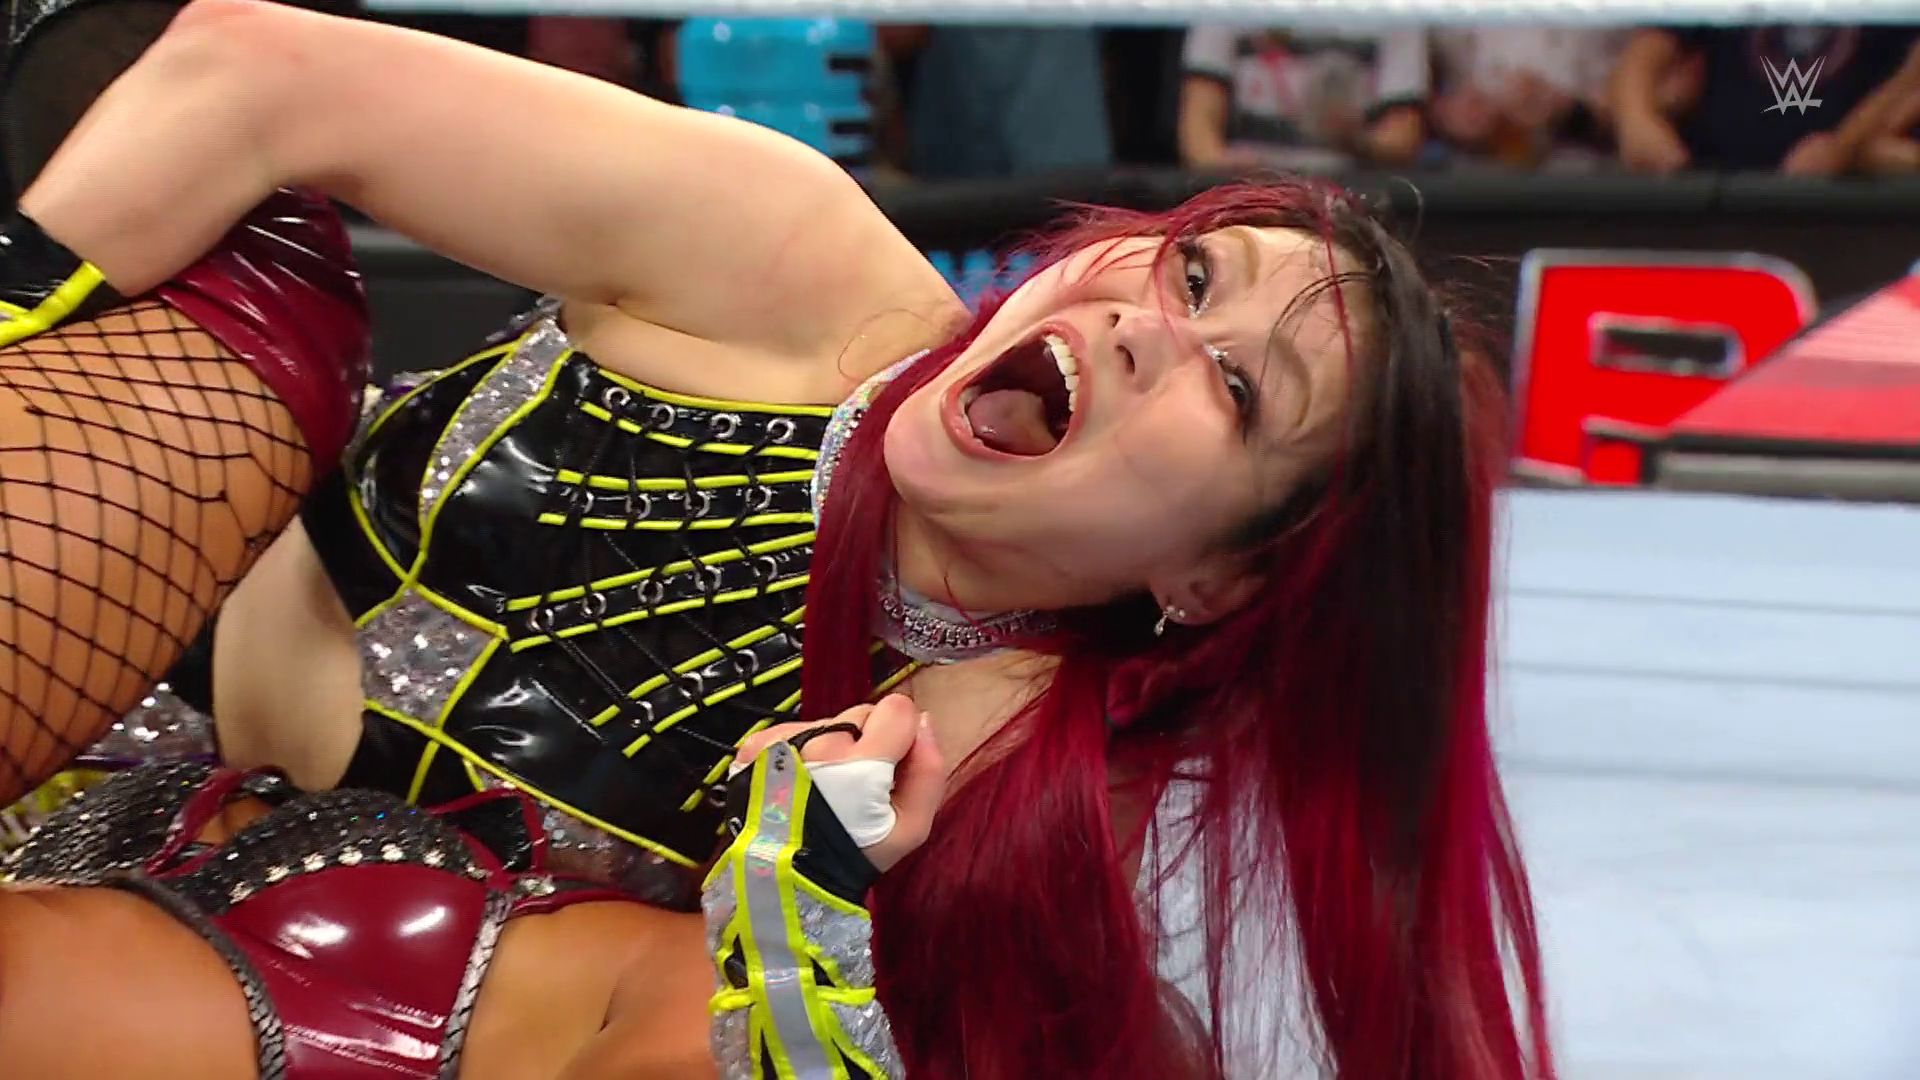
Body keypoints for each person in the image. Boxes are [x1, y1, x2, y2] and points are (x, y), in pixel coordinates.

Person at [0, 0, 1553, 1076]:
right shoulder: (792, 263)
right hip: (93, 567)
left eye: (1236, 386)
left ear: (1216, 577)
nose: (1147, 321)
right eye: (1194, 271)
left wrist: (797, 906)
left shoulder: (1007, 770)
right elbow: (255, 71)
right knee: (265, 314)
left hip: (222, 934)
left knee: (703, 1007)